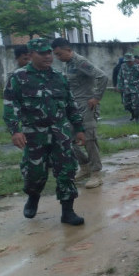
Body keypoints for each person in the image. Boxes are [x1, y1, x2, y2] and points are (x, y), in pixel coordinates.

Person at [2, 37, 86, 225]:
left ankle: (68, 211)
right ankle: (33, 196)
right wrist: (15, 131)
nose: (48, 56)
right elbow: (10, 105)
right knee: (34, 173)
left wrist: (79, 128)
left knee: (67, 170)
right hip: (34, 134)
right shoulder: (19, 77)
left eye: (49, 52)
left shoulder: (59, 77)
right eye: (42, 53)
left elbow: (71, 105)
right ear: (31, 55)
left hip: (60, 133)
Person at [51, 38, 108, 189]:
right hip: (72, 107)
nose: (58, 57)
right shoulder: (68, 64)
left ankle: (96, 173)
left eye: (59, 54)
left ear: (68, 50)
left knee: (89, 139)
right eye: (56, 55)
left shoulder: (80, 62)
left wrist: (96, 97)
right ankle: (85, 166)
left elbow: (102, 76)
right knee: (68, 138)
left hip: (85, 106)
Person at [116, 52, 139, 122]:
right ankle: (133, 114)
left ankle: (137, 118)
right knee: (126, 104)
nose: (128, 63)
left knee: (136, 105)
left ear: (133, 60)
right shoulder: (123, 66)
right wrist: (119, 86)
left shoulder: (138, 67)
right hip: (126, 88)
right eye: (127, 61)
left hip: (136, 88)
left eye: (130, 61)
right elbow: (120, 76)